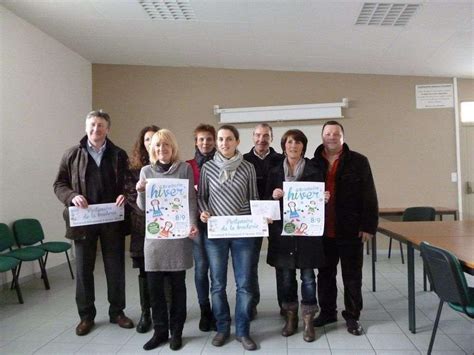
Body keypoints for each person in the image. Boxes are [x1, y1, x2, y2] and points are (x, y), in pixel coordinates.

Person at [53, 110, 134, 336]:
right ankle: (86, 316)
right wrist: (71, 197)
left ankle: (117, 312)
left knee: (115, 269)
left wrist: (124, 196)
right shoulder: (72, 154)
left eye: (100, 125)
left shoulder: (119, 154)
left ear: (108, 129)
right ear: (86, 127)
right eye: (92, 125)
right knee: (83, 271)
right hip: (83, 222)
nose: (96, 129)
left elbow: (128, 184)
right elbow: (59, 184)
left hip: (112, 221)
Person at [311, 121, 378, 336]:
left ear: (343, 137)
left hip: (350, 230)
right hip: (322, 231)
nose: (331, 137)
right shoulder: (313, 163)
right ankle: (328, 312)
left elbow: (369, 195)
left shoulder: (359, 161)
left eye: (336, 133)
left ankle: (352, 316)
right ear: (322, 136)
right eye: (328, 133)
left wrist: (368, 226)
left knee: (352, 276)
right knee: (325, 275)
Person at [198, 125, 259, 351]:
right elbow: (202, 197)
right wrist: (203, 212)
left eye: (229, 139)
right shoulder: (208, 168)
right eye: (221, 139)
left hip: (242, 234)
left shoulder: (248, 168)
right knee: (218, 284)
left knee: (244, 284)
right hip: (216, 234)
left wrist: (261, 217)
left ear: (237, 141)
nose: (224, 143)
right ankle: (222, 328)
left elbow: (253, 198)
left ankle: (243, 331)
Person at [136, 129, 198, 351]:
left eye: (166, 146)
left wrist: (193, 225)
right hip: (154, 240)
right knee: (155, 290)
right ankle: (160, 332)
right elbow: (143, 208)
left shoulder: (184, 169)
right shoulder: (145, 171)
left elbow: (191, 199)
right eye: (158, 146)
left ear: (173, 148)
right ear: (153, 149)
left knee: (177, 288)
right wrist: (140, 191)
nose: (162, 150)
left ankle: (176, 332)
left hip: (178, 238)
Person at [266, 129, 328, 342]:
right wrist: (273, 197)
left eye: (298, 142)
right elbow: (265, 206)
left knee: (308, 277)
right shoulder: (274, 171)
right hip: (282, 235)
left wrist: (324, 198)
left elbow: (321, 200)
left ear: (303, 146)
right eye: (289, 142)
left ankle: (309, 320)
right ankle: (290, 316)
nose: (293, 146)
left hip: (307, 234)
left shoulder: (315, 169)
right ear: (284, 146)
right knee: (286, 279)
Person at [243, 123, 284, 318]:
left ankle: (285, 305)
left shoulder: (281, 160)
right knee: (249, 264)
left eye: (266, 135)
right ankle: (251, 304)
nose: (262, 139)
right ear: (252, 137)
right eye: (258, 135)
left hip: (277, 219)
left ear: (272, 138)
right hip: (251, 220)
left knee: (281, 263)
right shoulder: (243, 160)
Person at [124, 125, 159, 333]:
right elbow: (130, 197)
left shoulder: (169, 165)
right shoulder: (133, 169)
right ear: (143, 143)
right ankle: (146, 314)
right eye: (147, 139)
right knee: (145, 273)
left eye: (155, 138)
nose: (151, 142)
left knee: (165, 272)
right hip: (142, 228)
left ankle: (165, 311)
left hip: (165, 229)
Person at [186, 124, 217, 332]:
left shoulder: (221, 163)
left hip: (217, 224)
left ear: (214, 141)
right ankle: (205, 309)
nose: (205, 143)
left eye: (209, 139)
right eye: (201, 139)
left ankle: (218, 310)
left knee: (217, 270)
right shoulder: (187, 166)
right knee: (201, 268)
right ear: (196, 142)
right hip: (197, 225)